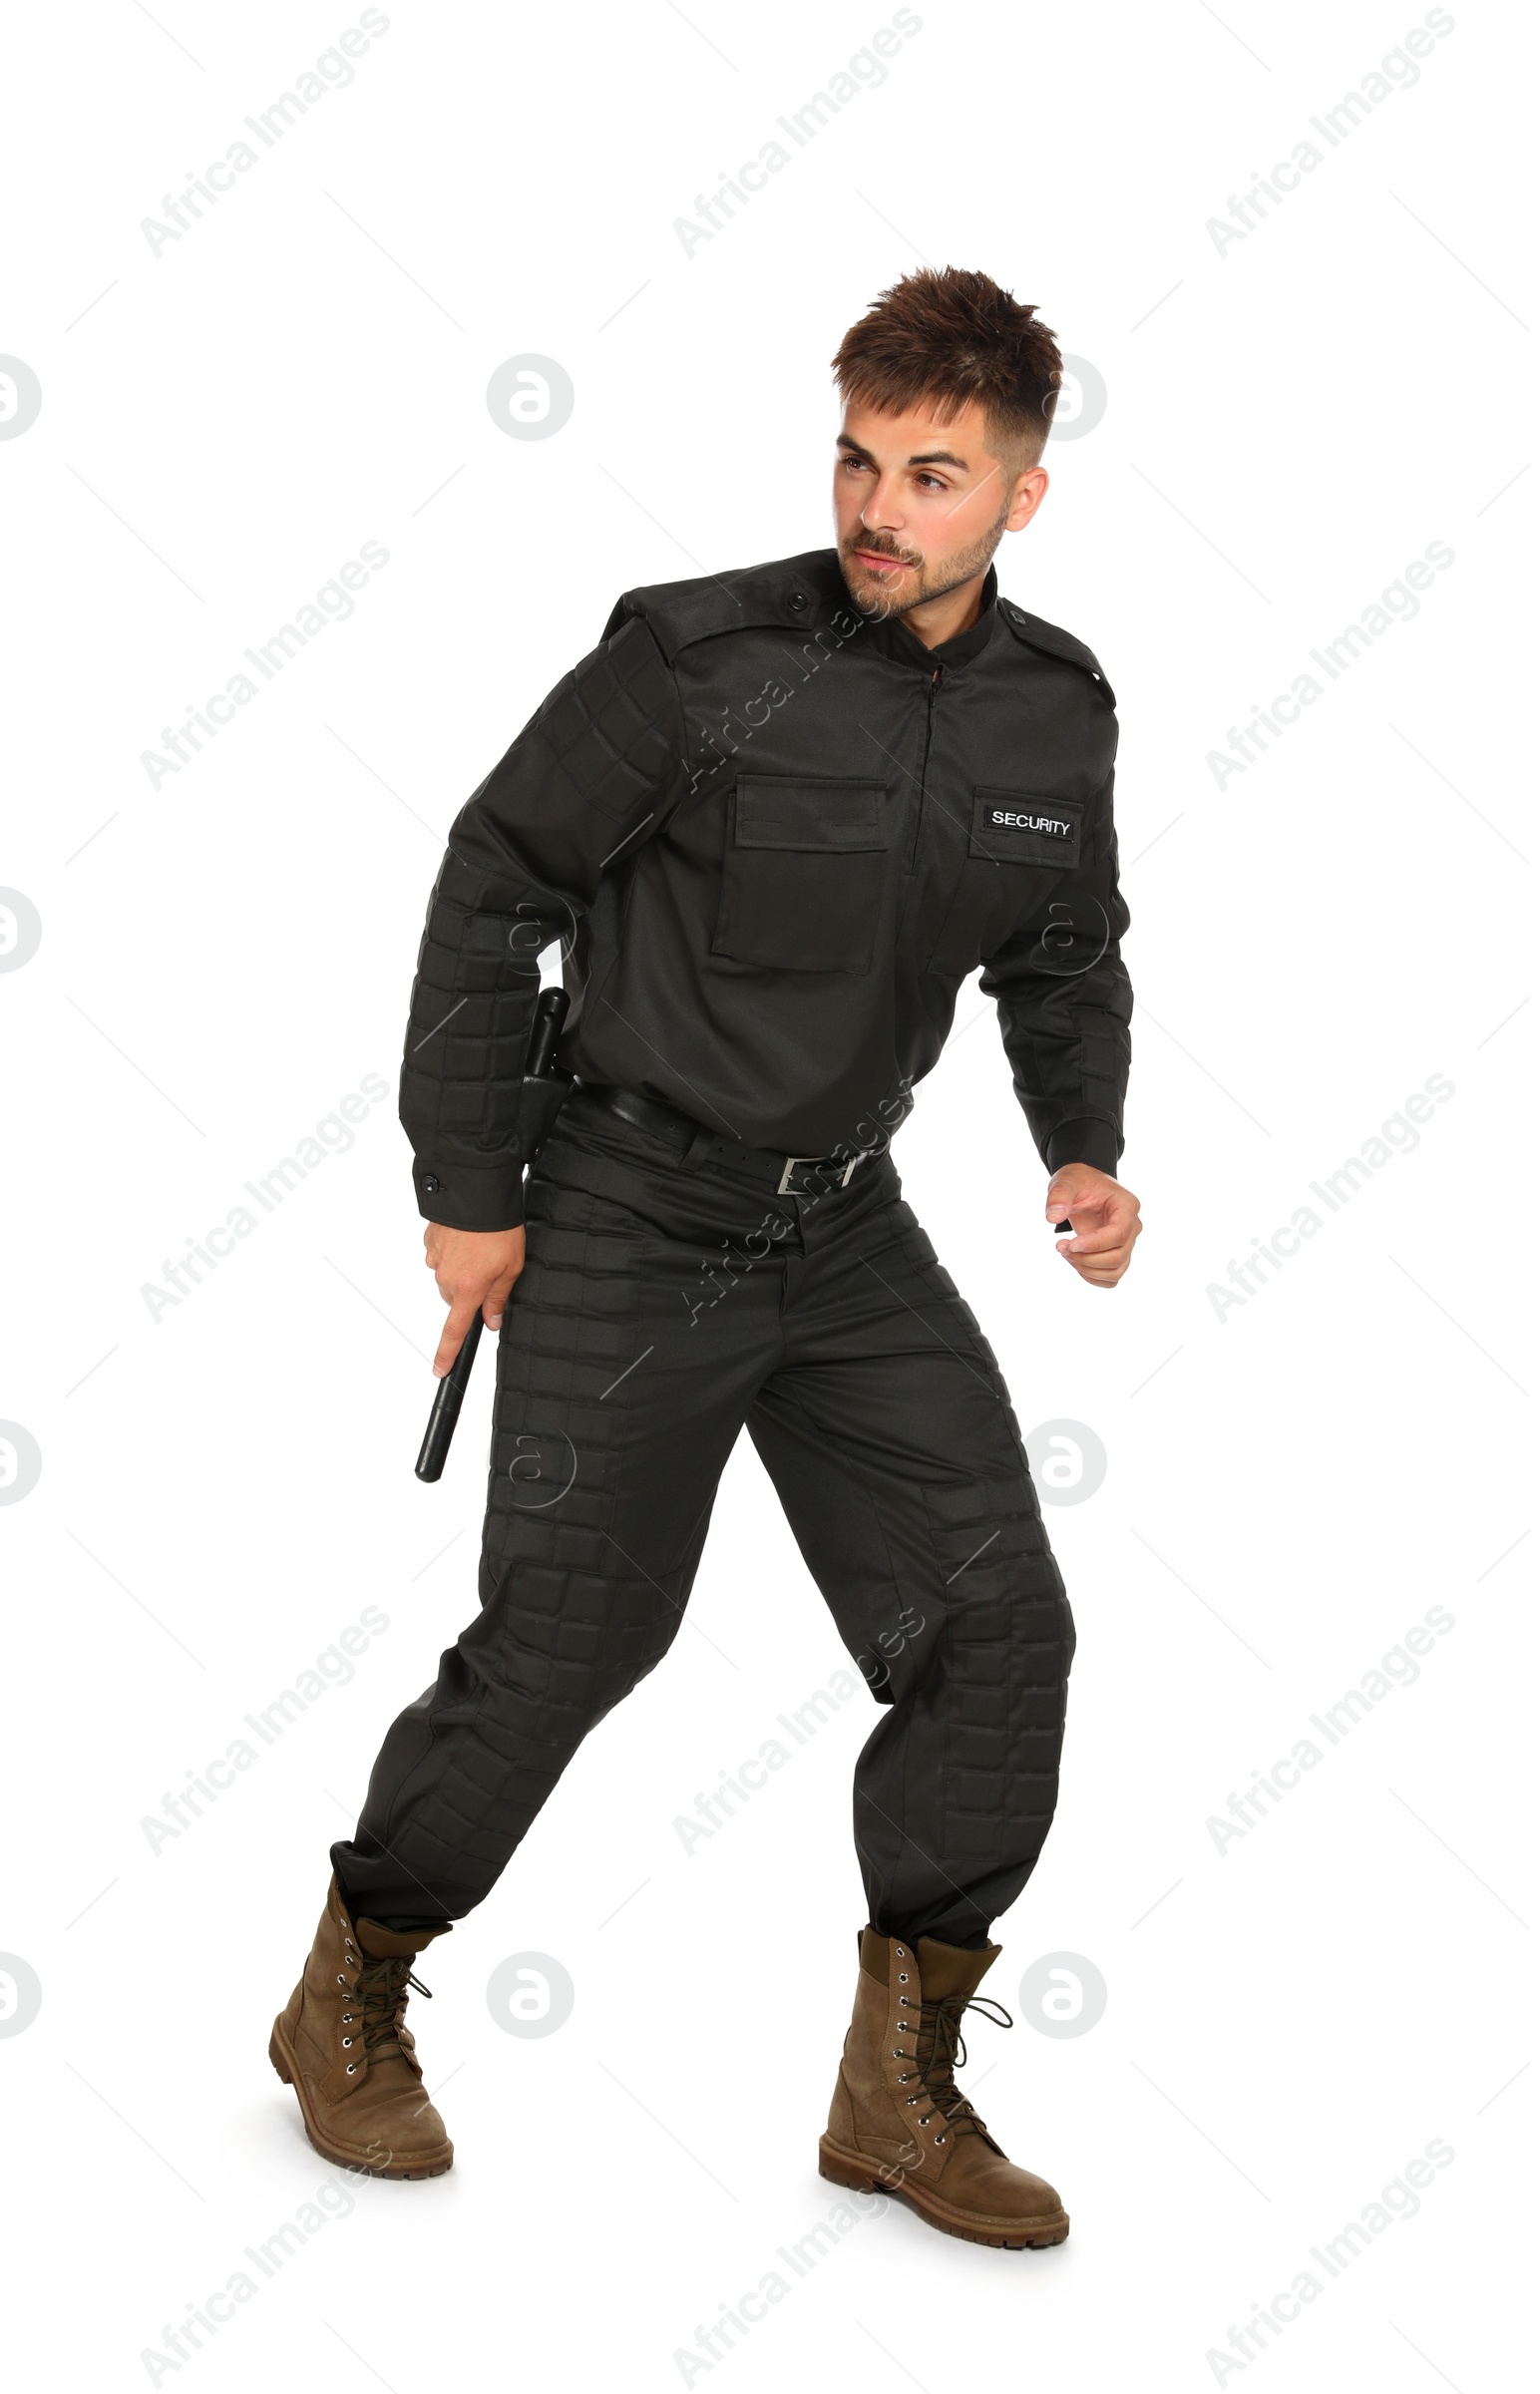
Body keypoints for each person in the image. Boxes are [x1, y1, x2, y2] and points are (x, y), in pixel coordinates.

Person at [270, 265, 1141, 2247]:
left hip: (843, 1238)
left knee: (994, 1632)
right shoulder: (688, 661)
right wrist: (468, 1182)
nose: (875, 505)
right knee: (575, 1644)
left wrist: (1080, 1149)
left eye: (931, 473)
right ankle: (349, 1981)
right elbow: (497, 879)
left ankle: (895, 2099)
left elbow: (1059, 949)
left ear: (1019, 495)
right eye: (855, 457)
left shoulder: (1049, 706)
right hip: (622, 1210)